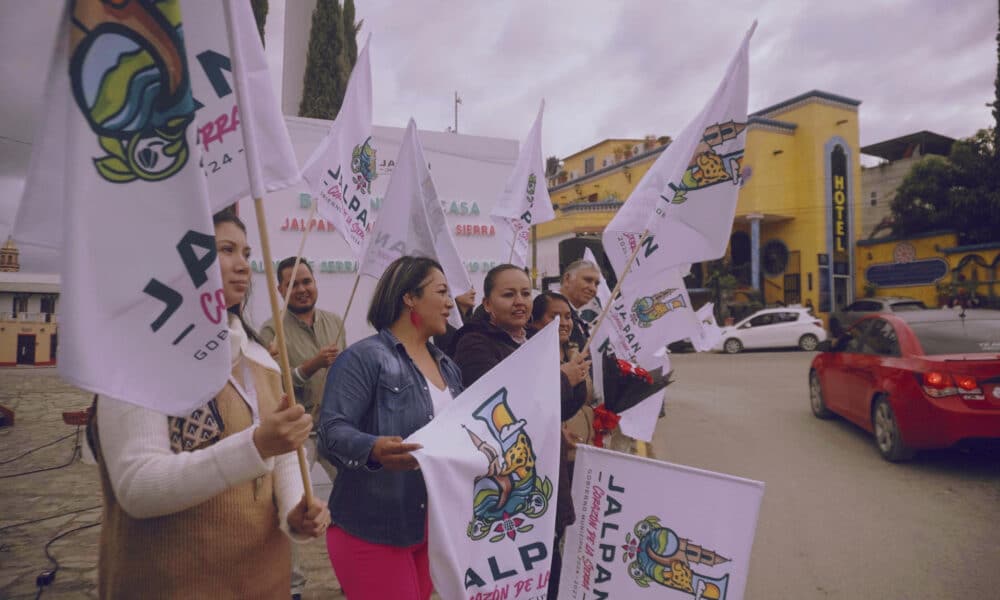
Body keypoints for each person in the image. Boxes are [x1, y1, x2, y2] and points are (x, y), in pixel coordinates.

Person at [87, 210, 330, 599]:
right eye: (225, 250)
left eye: (246, 253)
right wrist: (256, 446)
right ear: (179, 260)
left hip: (264, 581)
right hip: (172, 583)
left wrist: (299, 509)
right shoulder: (137, 354)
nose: (242, 266)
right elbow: (139, 486)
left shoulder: (261, 358)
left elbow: (285, 456)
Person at [318, 256, 464, 600]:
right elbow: (330, 433)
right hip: (372, 528)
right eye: (441, 292)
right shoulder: (363, 358)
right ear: (409, 297)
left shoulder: (449, 367)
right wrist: (374, 449)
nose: (449, 303)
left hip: (431, 528)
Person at [452, 266, 590, 600]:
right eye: (508, 294)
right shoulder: (474, 344)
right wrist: (561, 378)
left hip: (543, 482)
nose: (520, 302)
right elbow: (498, 405)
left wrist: (576, 378)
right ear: (487, 303)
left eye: (526, 294)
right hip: (510, 494)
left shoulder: (535, 342)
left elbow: (556, 408)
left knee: (550, 581)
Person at [259, 256, 345, 599]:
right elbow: (278, 385)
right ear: (281, 289)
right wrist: (312, 365)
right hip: (299, 436)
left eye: (306, 281)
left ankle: (352, 573)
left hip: (335, 429)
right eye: (293, 284)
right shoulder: (270, 330)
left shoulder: (335, 323)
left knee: (356, 499)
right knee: (291, 508)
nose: (302, 289)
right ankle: (291, 587)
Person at [559, 259, 603, 348]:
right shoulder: (548, 307)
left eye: (596, 284)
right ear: (567, 279)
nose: (593, 288)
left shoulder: (575, 316)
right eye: (588, 280)